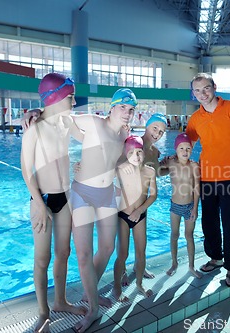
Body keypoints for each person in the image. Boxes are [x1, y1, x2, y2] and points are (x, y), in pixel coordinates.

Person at [20, 73, 86, 333]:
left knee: (64, 253)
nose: (74, 100)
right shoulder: (34, 128)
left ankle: (59, 301)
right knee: (42, 258)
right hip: (43, 198)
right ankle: (43, 312)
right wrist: (37, 202)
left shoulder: (65, 122)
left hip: (65, 196)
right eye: (70, 96)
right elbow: (26, 169)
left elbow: (88, 135)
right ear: (56, 97)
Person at [70, 88, 136, 333]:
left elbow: (114, 159)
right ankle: (94, 308)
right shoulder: (94, 121)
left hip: (107, 193)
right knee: (84, 254)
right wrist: (38, 112)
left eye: (131, 110)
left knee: (107, 248)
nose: (127, 113)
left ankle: (90, 295)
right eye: (123, 107)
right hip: (83, 194)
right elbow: (63, 120)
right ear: (112, 107)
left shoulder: (123, 134)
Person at [186, 72, 230, 288]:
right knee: (209, 222)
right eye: (197, 90)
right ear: (193, 94)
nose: (202, 94)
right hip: (206, 177)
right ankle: (216, 258)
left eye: (206, 88)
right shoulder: (196, 118)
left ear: (214, 87)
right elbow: (187, 144)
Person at [119, 113, 167, 283]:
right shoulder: (130, 143)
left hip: (142, 205)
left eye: (161, 132)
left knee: (141, 244)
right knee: (122, 247)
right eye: (155, 128)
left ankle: (139, 267)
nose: (157, 133)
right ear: (147, 126)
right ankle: (122, 270)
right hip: (124, 207)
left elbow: (155, 175)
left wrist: (171, 166)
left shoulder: (155, 152)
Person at [113, 135, 157, 301]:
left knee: (141, 251)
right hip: (122, 216)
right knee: (122, 254)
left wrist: (140, 210)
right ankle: (117, 287)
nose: (136, 156)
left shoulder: (150, 172)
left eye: (139, 152)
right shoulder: (121, 168)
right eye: (131, 152)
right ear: (126, 154)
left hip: (140, 215)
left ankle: (139, 284)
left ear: (144, 153)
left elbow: (153, 195)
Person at [159, 133, 201, 278]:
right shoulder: (171, 163)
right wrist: (161, 161)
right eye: (181, 148)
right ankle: (174, 263)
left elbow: (197, 188)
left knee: (189, 236)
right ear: (176, 150)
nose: (185, 151)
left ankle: (191, 266)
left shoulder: (194, 166)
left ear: (191, 150)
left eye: (188, 148)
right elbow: (157, 172)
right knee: (174, 235)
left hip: (189, 206)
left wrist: (195, 208)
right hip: (175, 206)